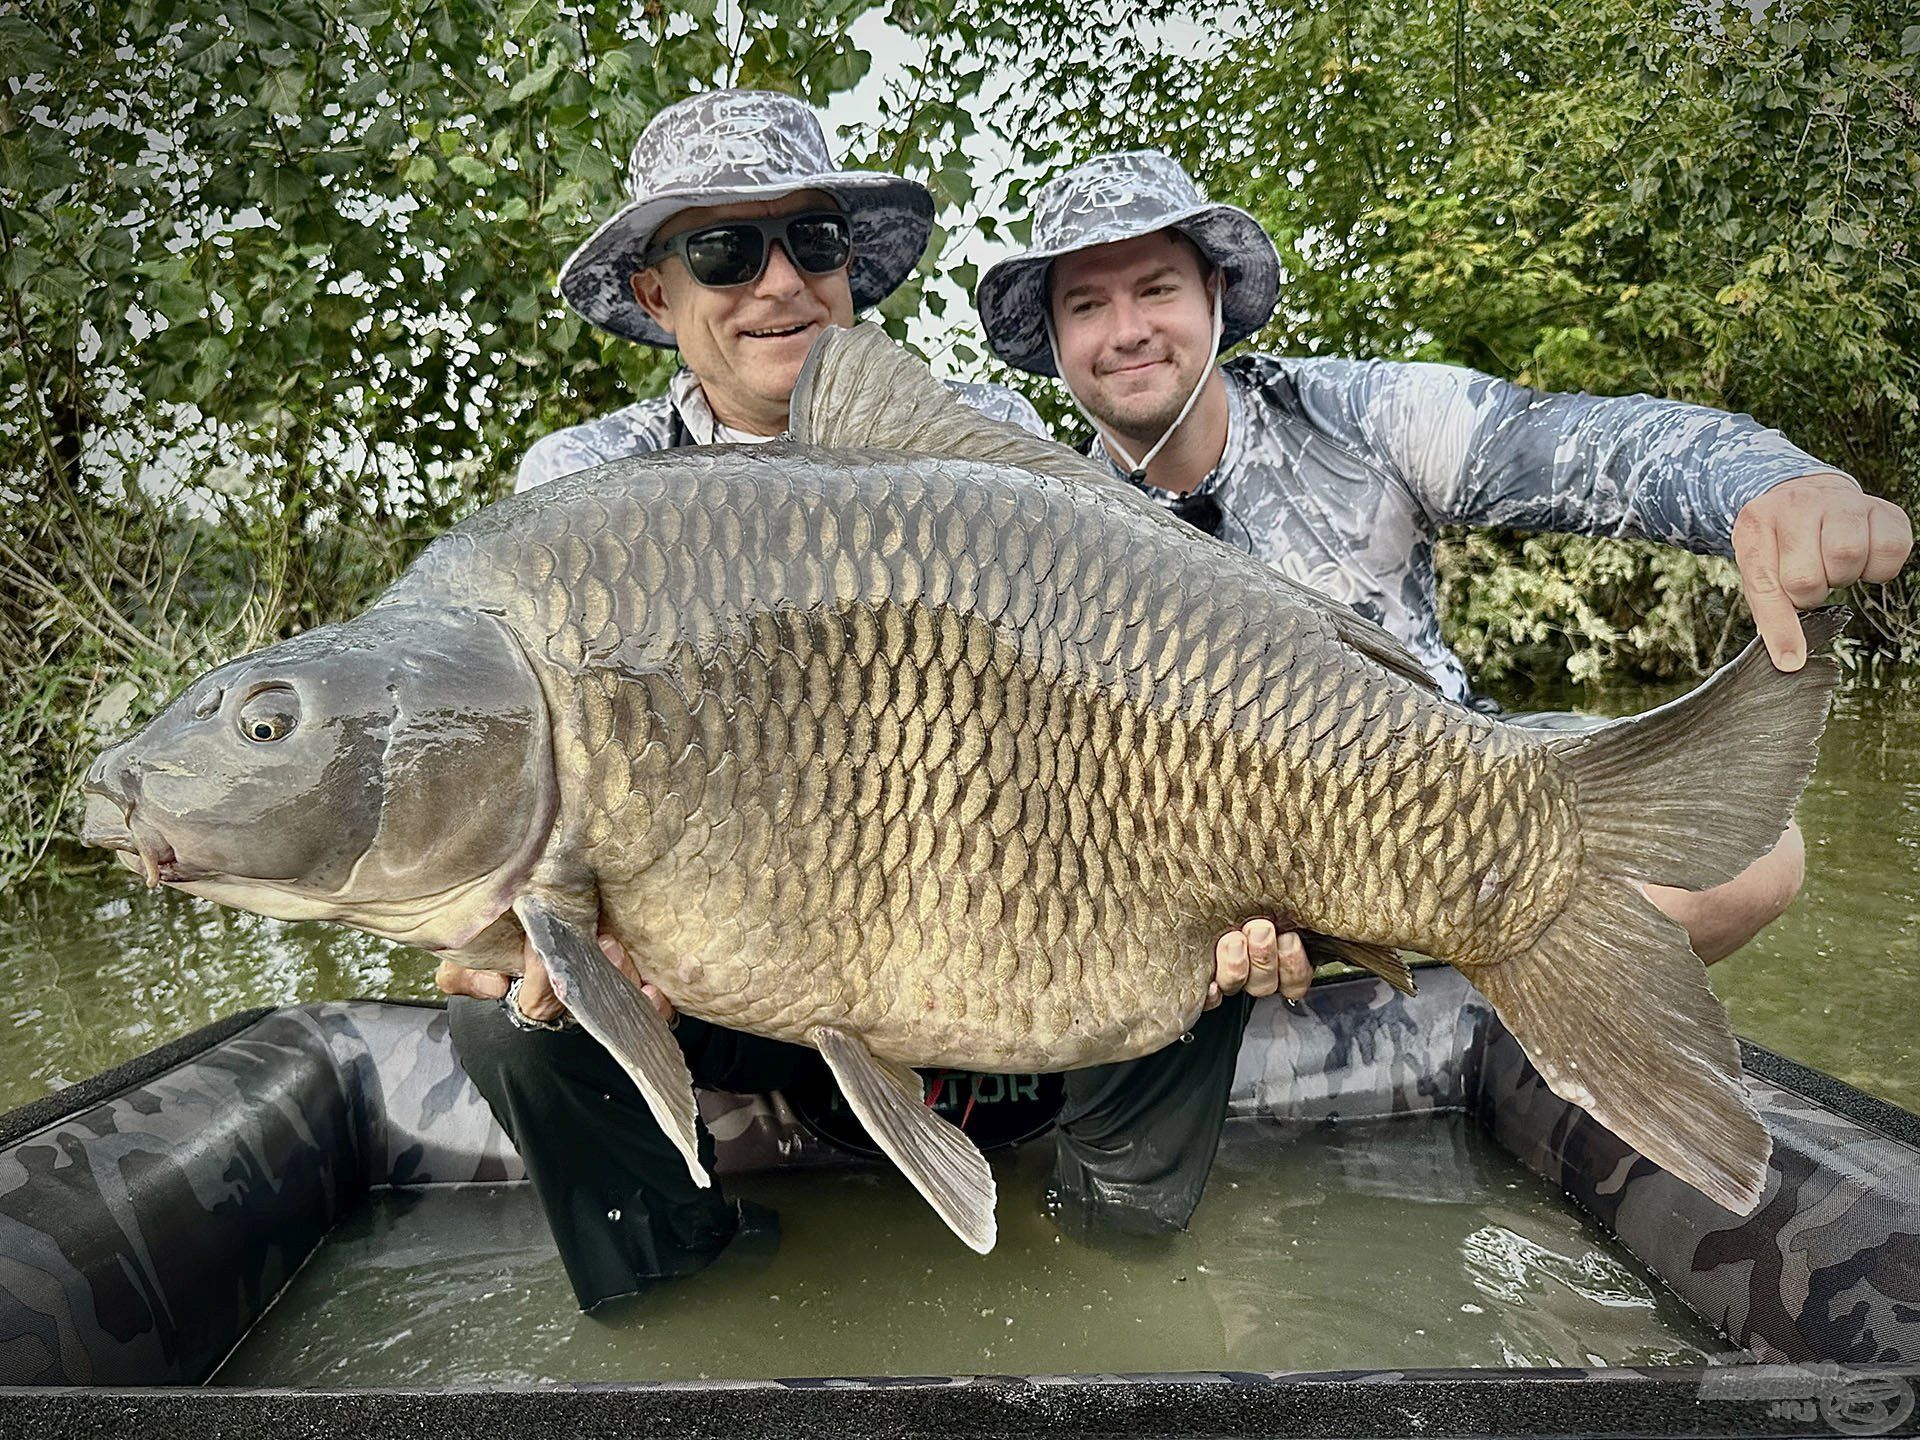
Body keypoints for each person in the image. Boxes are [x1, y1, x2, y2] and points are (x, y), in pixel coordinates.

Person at [438, 93, 1302, 1311]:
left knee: (1202, 881)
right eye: (727, 252)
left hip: (1014, 929)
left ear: (850, 265)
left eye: (814, 242)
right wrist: (517, 926)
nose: (781, 282)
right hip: (735, 972)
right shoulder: (584, 497)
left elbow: (1135, 682)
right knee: (507, 1017)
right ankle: (678, 1292)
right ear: (654, 295)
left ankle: (1121, 1267)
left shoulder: (976, 441)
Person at [976, 150, 1914, 966]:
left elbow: (1589, 445)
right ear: (1055, 340)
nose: (1127, 329)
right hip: (1212, 896)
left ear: (1214, 297)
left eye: (1157, 288)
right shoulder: (1042, 521)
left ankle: (1498, 986)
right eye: (1088, 304)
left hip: (1450, 817)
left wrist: (1765, 485)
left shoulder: (1360, 418)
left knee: (1751, 857)